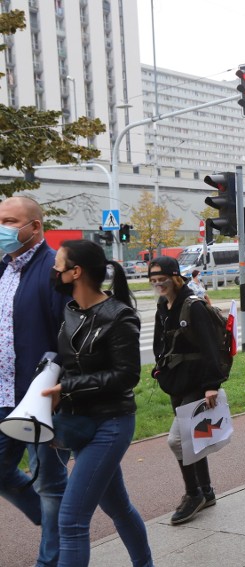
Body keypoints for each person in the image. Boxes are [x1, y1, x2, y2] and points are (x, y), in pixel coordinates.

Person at [42, 240, 152, 567]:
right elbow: (68, 360)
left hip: (111, 422)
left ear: (75, 272)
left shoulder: (119, 316)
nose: (54, 271)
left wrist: (68, 388)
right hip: (79, 423)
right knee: (118, 507)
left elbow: (126, 376)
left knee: (72, 519)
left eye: (57, 265)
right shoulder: (70, 310)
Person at [0, 196, 69, 567]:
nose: (2, 229)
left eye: (10, 221)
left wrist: (58, 386)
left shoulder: (54, 270)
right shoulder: (3, 268)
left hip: (43, 397)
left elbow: (68, 335)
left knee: (52, 484)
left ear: (35, 227)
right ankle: (60, 525)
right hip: (3, 392)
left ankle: (52, 558)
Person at [149, 256, 228, 525]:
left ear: (175, 277)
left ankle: (193, 494)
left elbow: (209, 347)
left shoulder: (192, 306)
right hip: (176, 382)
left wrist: (211, 386)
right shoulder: (163, 305)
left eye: (162, 278)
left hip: (197, 383)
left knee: (177, 440)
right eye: (153, 279)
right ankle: (207, 491)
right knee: (193, 439)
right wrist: (160, 370)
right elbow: (159, 342)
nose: (157, 283)